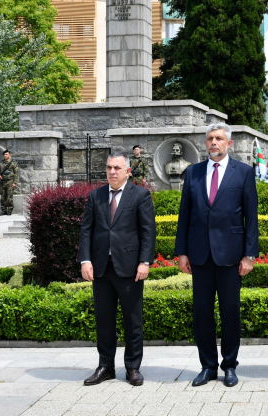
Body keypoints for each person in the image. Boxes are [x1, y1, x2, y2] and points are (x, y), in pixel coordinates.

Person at [175, 122, 259, 387]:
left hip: (231, 255)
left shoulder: (244, 173)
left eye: (219, 139)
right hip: (199, 254)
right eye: (210, 138)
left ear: (228, 143)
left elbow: (251, 218)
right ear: (205, 143)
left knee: (230, 311)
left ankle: (230, 366)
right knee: (201, 313)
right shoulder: (194, 173)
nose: (214, 142)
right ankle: (208, 366)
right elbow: (184, 215)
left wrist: (249, 255)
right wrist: (182, 252)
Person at [78, 151, 157, 387]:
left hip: (130, 268)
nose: (112, 172)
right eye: (109, 167)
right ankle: (106, 367)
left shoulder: (141, 195)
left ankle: (133, 367)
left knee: (133, 320)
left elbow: (147, 232)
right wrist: (85, 260)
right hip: (101, 268)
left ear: (128, 171)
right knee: (104, 320)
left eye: (117, 168)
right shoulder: (96, 196)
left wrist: (145, 262)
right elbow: (86, 231)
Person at [0, 150, 19, 215]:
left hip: (10, 182)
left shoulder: (13, 163)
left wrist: (15, 182)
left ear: (9, 155)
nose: (5, 155)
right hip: (2, 182)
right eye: (4, 154)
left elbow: (16, 173)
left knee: (9, 197)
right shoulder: (0, 163)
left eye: (6, 154)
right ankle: (3, 210)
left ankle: (10, 210)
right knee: (3, 197)